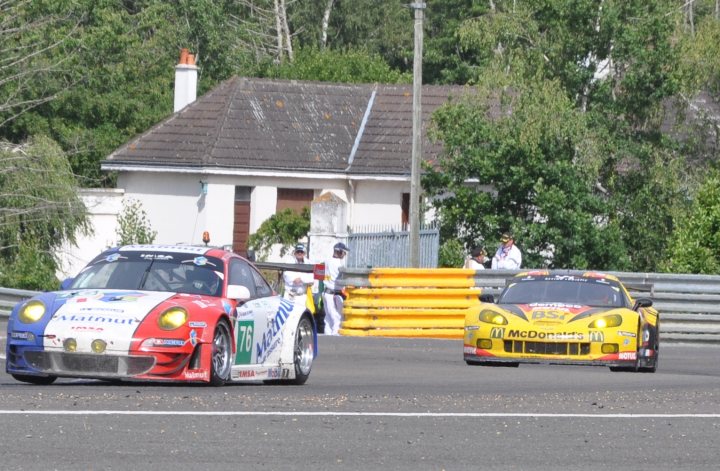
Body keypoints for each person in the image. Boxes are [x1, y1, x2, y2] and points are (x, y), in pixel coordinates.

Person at [322, 242, 349, 335]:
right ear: (340, 252)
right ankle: (335, 336)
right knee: (337, 317)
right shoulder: (339, 265)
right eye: (344, 253)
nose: (344, 255)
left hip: (326, 292)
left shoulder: (327, 261)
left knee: (328, 317)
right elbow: (342, 279)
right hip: (335, 293)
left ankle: (327, 334)